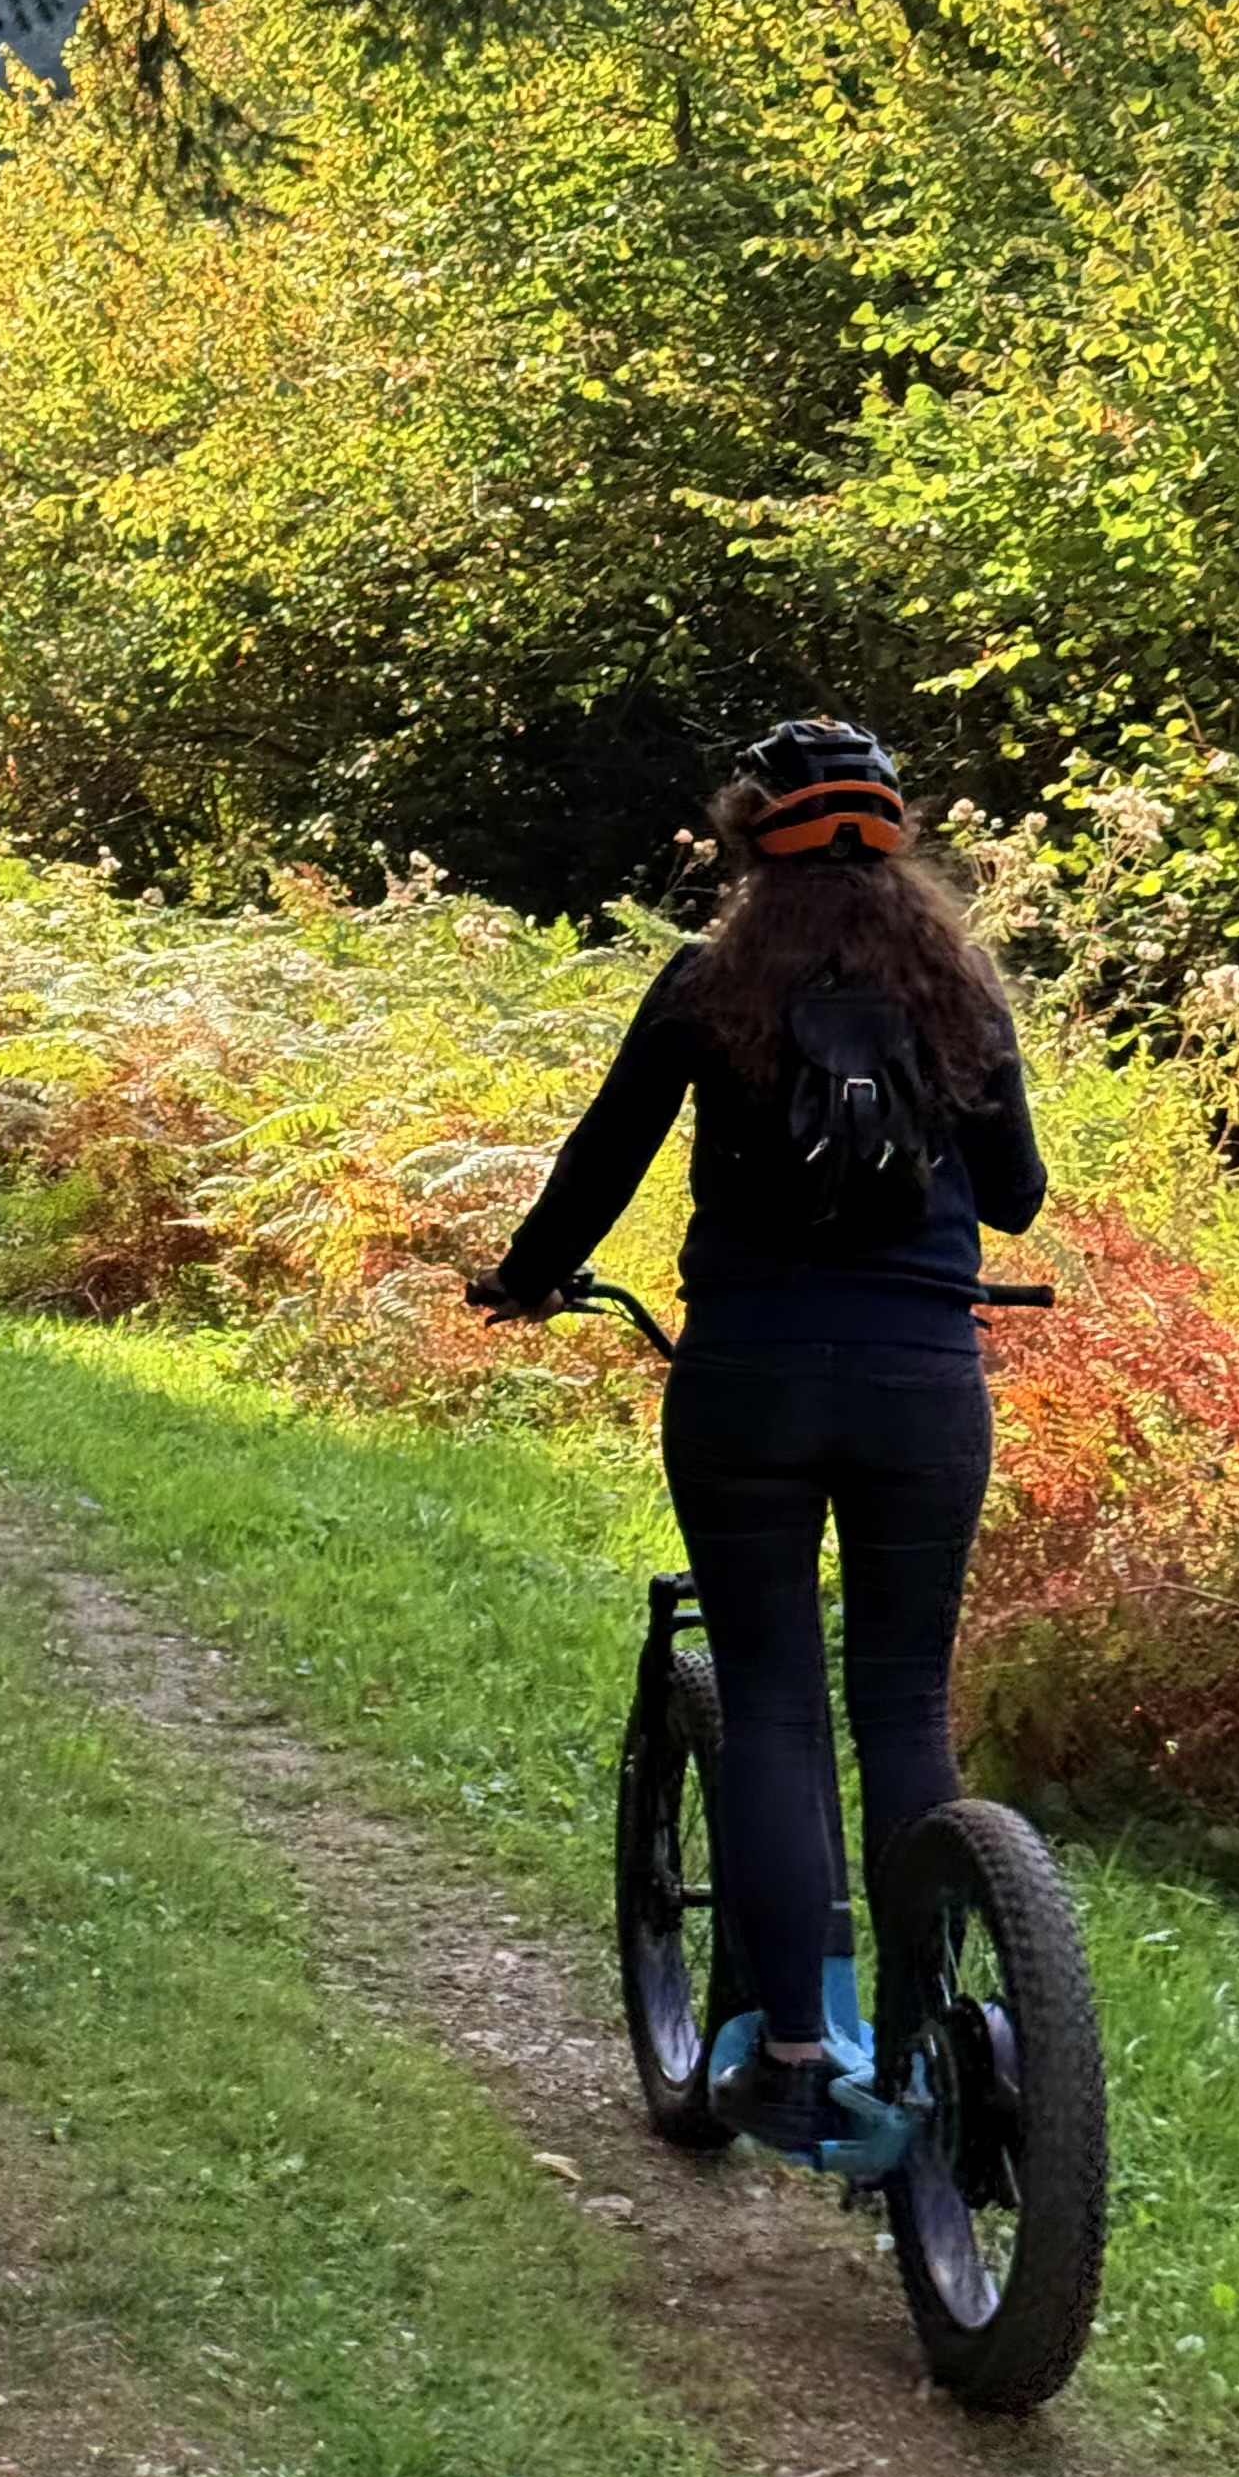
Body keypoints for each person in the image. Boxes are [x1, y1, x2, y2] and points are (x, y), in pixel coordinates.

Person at [480, 718, 1047, 2159]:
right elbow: (1020, 1198)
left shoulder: (704, 984)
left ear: (747, 843)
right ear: (899, 844)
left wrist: (530, 1278)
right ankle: (922, 2046)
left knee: (780, 1705)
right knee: (906, 1708)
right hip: (924, 1385)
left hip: (750, 1380)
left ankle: (796, 2053)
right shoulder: (960, 991)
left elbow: (598, 1163)